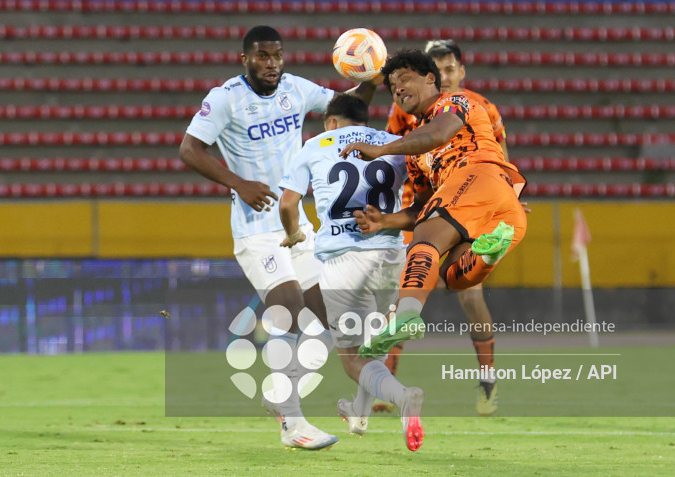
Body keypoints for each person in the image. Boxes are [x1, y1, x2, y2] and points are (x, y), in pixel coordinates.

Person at [179, 25, 378, 450]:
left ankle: (278, 393)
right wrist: (239, 183)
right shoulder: (226, 98)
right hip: (255, 229)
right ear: (244, 59)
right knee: (288, 304)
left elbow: (351, 107)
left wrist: (374, 77)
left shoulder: (296, 89)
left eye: (277, 55)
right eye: (262, 56)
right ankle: (292, 422)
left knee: (326, 313)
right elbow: (190, 150)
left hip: (296, 224)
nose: (271, 63)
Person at [339, 49, 527, 367]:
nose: (397, 88)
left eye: (404, 78)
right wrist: (385, 221)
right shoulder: (416, 152)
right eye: (392, 85)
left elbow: (438, 133)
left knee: (424, 243)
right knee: (453, 275)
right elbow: (424, 209)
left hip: (478, 175)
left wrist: (382, 149)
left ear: (430, 79)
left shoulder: (456, 102)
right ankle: (485, 255)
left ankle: (407, 315)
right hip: (499, 209)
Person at [278, 94, 425, 452]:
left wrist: (294, 233)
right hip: (392, 255)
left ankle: (404, 397)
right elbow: (424, 196)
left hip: (344, 260)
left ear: (331, 122)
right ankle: (359, 413)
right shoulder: (393, 143)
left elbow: (287, 203)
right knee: (373, 344)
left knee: (352, 358)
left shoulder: (315, 145)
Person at [376, 39, 511, 416]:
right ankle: (386, 385)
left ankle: (487, 382)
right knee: (404, 294)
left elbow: (497, 153)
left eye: (451, 68)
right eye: (440, 70)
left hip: (468, 201)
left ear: (460, 72)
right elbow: (402, 152)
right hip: (426, 206)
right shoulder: (404, 111)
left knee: (469, 296)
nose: (447, 76)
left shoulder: (479, 106)